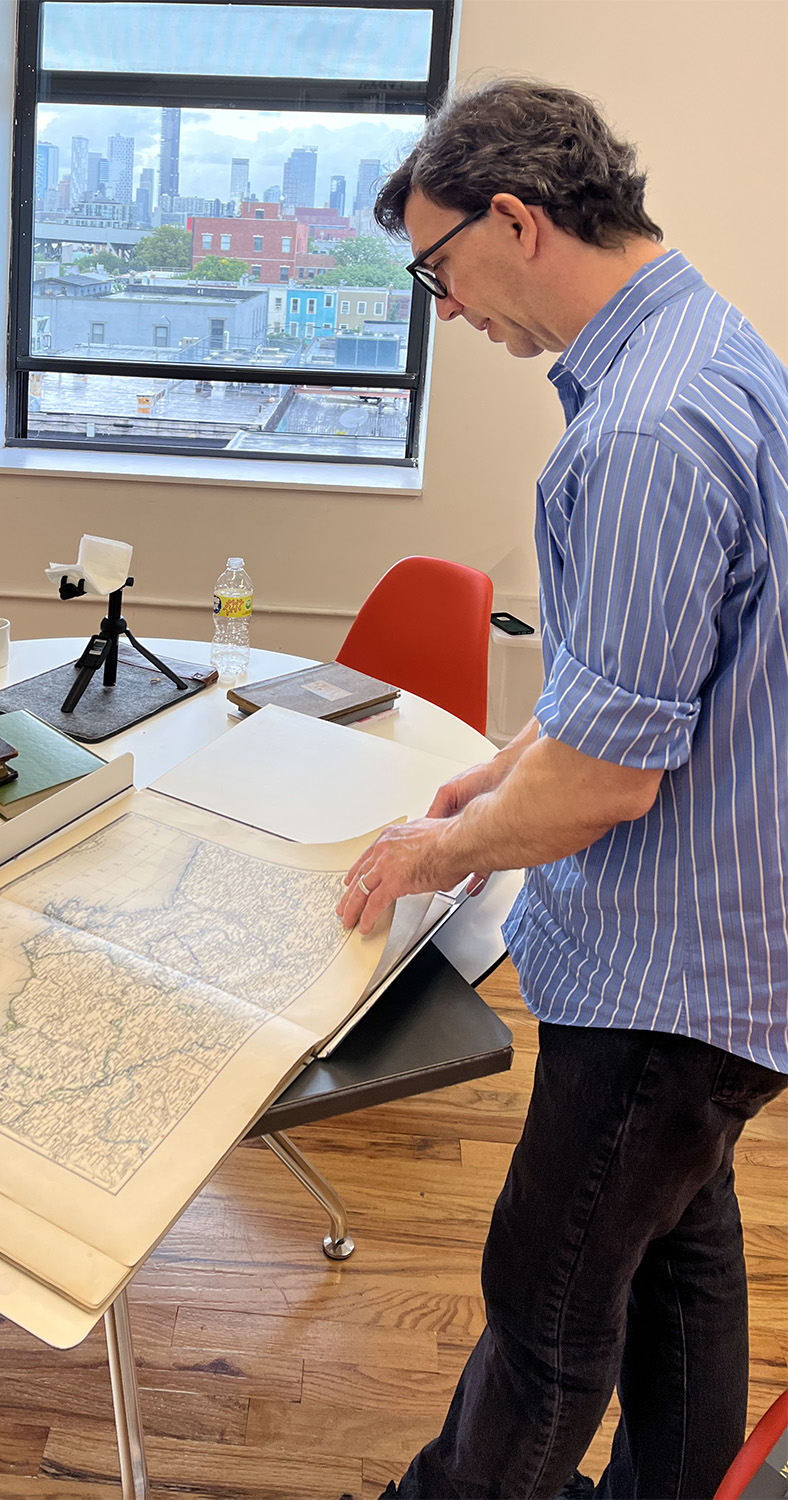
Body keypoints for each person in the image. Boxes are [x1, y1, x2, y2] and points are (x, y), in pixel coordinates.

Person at [336, 78, 788, 1500]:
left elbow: (606, 786)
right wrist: (498, 771)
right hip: (733, 962)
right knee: (679, 1255)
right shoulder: (711, 346)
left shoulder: (639, 435)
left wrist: (427, 849)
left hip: (669, 974)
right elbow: (636, 696)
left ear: (516, 219)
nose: (448, 310)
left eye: (438, 269)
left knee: (544, 1315)